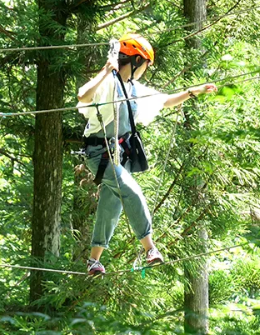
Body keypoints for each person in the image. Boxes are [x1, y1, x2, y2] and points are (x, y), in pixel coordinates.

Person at [77, 32, 217, 276]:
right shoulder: (108, 83)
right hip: (100, 154)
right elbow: (83, 96)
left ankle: (93, 260)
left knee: (111, 206)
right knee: (131, 192)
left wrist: (194, 91)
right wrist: (104, 70)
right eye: (144, 65)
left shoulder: (132, 87)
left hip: (118, 154)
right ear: (135, 62)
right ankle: (149, 248)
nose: (144, 70)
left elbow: (163, 101)